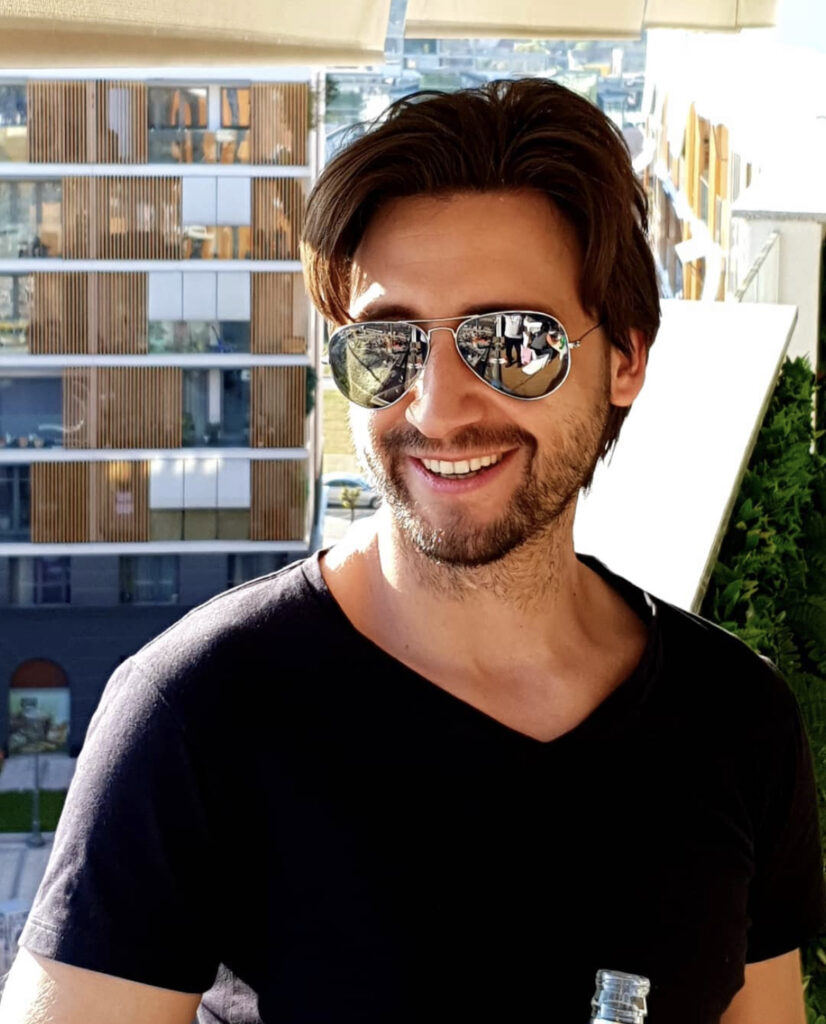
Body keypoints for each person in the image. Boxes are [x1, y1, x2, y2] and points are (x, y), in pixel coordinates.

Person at [1, 79, 823, 1024]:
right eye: (387, 346)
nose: (436, 407)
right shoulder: (197, 715)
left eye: (511, 342)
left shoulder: (736, 720)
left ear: (626, 358)